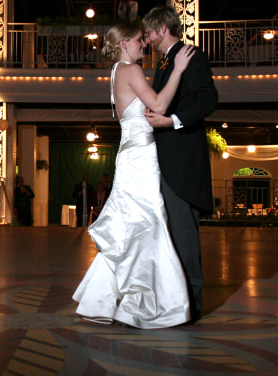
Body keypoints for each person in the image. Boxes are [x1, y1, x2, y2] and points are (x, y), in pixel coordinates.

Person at [73, 21, 195, 328]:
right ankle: (149, 305)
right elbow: (159, 103)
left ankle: (114, 299)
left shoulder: (116, 71)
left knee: (133, 226)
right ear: (125, 43)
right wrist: (178, 68)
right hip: (140, 156)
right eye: (140, 40)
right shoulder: (131, 71)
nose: (145, 44)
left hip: (130, 153)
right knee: (149, 222)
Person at [142, 6, 218, 323]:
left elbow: (208, 98)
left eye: (148, 32)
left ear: (162, 28)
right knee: (171, 232)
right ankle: (177, 298)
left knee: (183, 232)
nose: (145, 39)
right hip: (167, 158)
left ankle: (192, 303)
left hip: (182, 162)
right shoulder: (165, 61)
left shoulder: (189, 55)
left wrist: (171, 120)